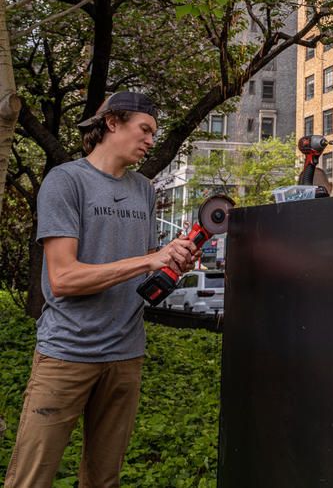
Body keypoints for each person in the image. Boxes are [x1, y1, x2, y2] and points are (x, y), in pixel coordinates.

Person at [4, 92, 198, 488]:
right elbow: (63, 279)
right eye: (144, 130)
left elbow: (141, 262)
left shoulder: (143, 189)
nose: (149, 141)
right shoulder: (66, 181)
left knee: (103, 480)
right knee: (31, 478)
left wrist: (171, 262)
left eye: (153, 134)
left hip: (126, 354)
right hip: (66, 353)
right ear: (112, 123)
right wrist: (149, 260)